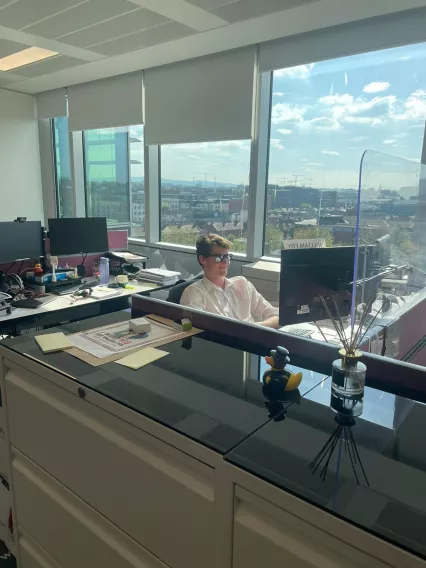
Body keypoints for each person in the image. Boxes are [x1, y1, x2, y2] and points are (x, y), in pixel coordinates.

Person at [181, 234, 279, 328]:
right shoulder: (194, 293)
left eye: (227, 256)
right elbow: (202, 330)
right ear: (202, 260)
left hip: (255, 339)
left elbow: (276, 316)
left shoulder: (243, 284)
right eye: (219, 257)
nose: (225, 262)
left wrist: (253, 329)